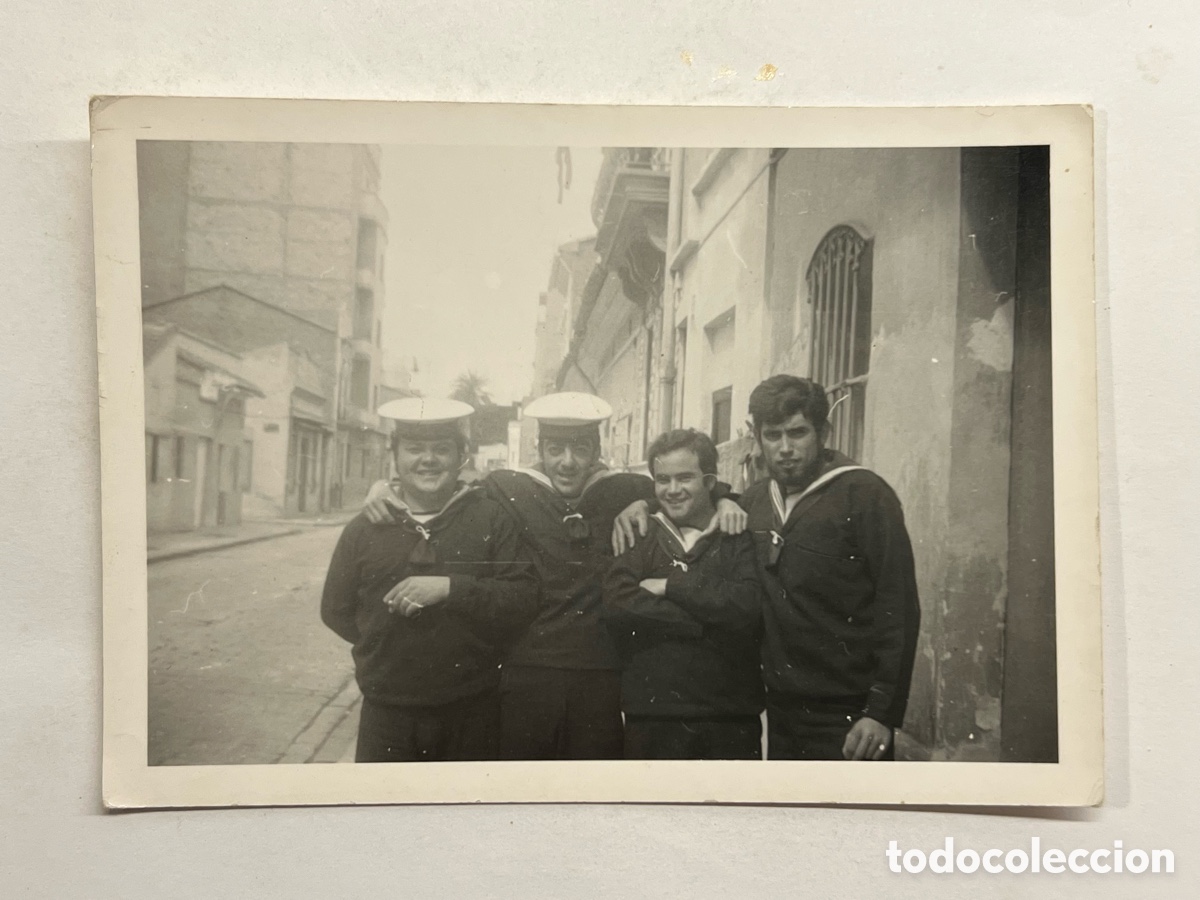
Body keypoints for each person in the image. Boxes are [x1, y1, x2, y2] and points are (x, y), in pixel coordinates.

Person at [362, 391, 747, 760]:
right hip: (526, 673)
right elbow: (443, 490)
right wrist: (382, 487)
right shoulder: (508, 487)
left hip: (600, 674)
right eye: (555, 449)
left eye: (580, 449)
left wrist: (726, 499)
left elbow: (685, 490)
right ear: (540, 451)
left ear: (597, 452)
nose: (567, 462)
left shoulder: (624, 488)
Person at [614, 375, 920, 761]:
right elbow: (698, 497)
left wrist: (881, 712)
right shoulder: (757, 499)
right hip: (778, 709)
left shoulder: (865, 496)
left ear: (823, 431)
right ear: (757, 438)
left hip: (848, 712)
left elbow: (899, 607)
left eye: (798, 433)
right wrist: (645, 504)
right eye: (773, 436)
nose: (786, 449)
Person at [320, 398, 537, 763]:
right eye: (414, 449)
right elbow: (335, 610)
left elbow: (523, 597)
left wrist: (451, 589)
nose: (428, 459)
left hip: (472, 711)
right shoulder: (364, 527)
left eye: (441, 449)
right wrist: (387, 641)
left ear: (461, 456)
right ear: (395, 457)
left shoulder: (491, 518)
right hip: (387, 715)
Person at [602, 429, 763, 760]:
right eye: (663, 480)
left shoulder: (734, 532)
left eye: (684, 478)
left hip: (728, 715)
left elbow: (747, 605)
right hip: (653, 714)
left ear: (708, 482)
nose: (672, 490)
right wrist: (704, 622)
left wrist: (670, 587)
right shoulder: (640, 531)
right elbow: (618, 604)